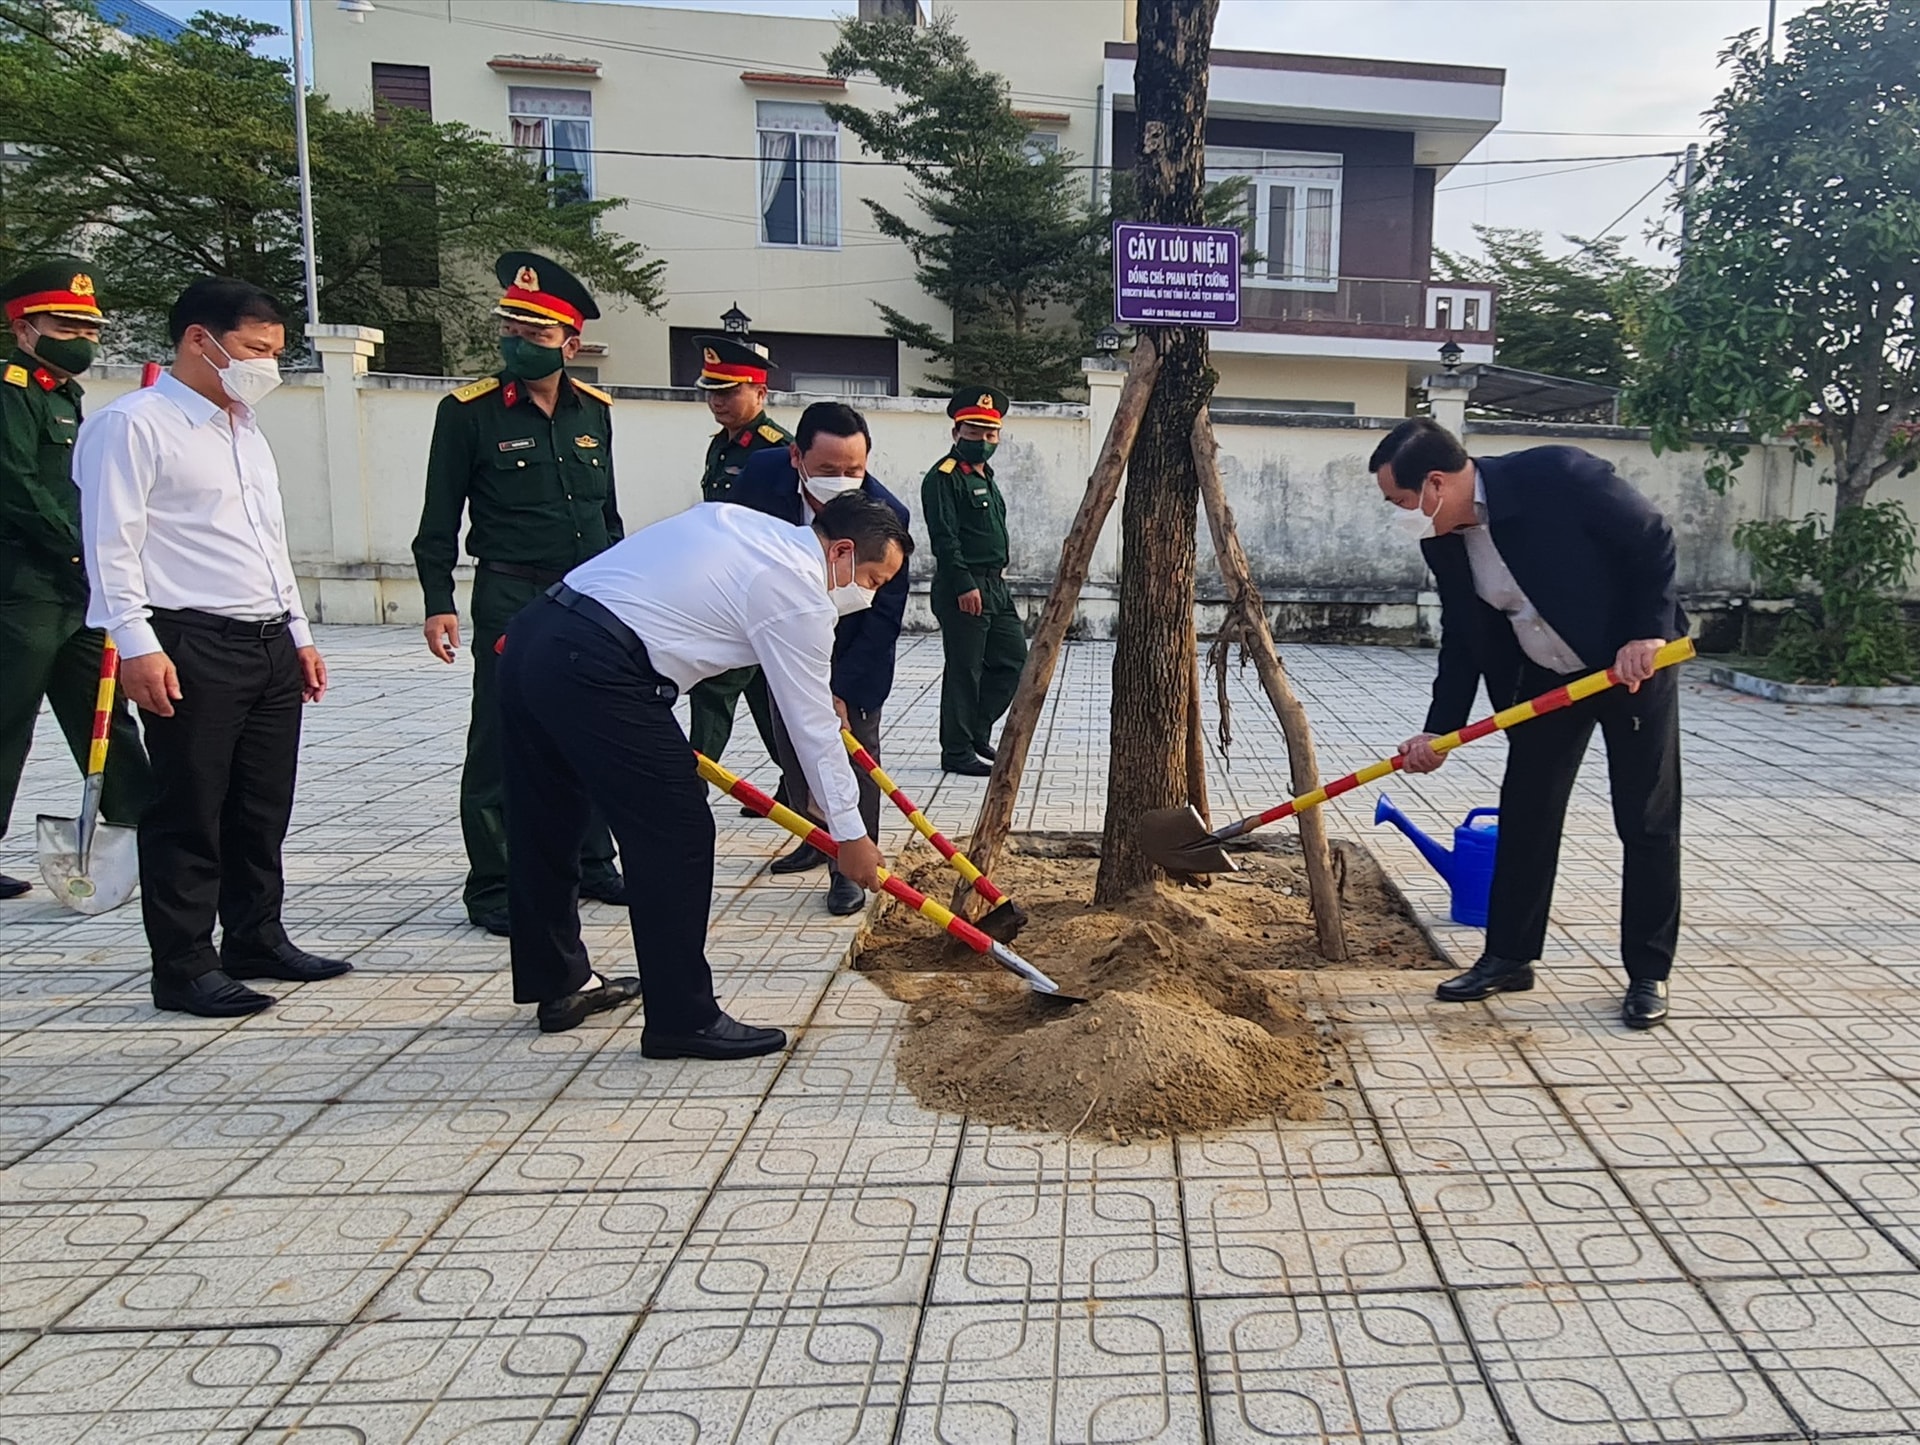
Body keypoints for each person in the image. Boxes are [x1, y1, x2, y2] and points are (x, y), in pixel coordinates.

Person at [496, 491, 909, 1055]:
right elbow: (812, 725)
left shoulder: (743, 522)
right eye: (874, 579)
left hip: (534, 635)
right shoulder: (799, 594)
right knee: (677, 832)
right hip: (599, 666)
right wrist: (852, 835)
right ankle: (681, 1017)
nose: (870, 594)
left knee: (548, 819)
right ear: (840, 551)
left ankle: (558, 982)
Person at [75, 278, 350, 1017]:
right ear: (202, 339)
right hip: (188, 639)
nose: (268, 366)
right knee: (190, 807)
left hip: (266, 641)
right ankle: (185, 963)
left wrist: (299, 633)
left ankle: (256, 935)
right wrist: (136, 645)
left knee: (262, 806)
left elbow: (268, 543)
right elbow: (111, 545)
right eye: (257, 350)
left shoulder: (243, 428)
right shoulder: (134, 425)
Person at [1370, 416, 1685, 1030]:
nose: (1401, 513)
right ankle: (1510, 956)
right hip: (1544, 682)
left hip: (1630, 669)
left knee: (1645, 819)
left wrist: (1646, 631)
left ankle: (1648, 971)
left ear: (1436, 483)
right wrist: (1440, 729)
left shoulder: (1558, 476)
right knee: (1527, 813)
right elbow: (1463, 635)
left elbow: (1651, 537)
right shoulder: (1443, 537)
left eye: (1401, 501)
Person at [412, 252, 627, 937]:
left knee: (593, 729)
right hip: (511, 593)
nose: (517, 344)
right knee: (501, 740)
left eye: (535, 336)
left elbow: (609, 515)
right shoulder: (468, 413)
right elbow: (438, 518)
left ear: (570, 344)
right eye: (511, 329)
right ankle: (497, 882)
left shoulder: (594, 412)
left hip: (588, 596)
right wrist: (437, 598)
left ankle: (594, 858)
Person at [0, 258, 151, 900]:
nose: (81, 338)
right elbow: (16, 484)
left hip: (80, 588)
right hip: (24, 588)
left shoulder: (66, 394)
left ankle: (150, 833)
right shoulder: (10, 390)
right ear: (24, 328)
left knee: (107, 713)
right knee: (8, 719)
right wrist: (78, 548)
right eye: (64, 324)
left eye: (88, 326)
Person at [731, 401, 910, 917]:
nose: (843, 480)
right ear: (796, 457)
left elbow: (884, 615)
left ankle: (852, 866)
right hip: (782, 635)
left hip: (854, 649)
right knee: (793, 743)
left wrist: (843, 688)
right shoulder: (761, 482)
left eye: (854, 469)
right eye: (829, 470)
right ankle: (815, 837)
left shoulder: (886, 514)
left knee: (854, 754)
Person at [686, 334, 792, 781]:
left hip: (759, 592)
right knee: (765, 696)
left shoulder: (777, 448)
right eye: (712, 390)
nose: (718, 401)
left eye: (730, 391)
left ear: (760, 392)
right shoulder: (721, 446)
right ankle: (796, 782)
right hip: (721, 587)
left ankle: (688, 781)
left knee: (714, 687)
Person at [923, 385, 1025, 776]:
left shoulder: (987, 474)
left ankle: (977, 731)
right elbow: (944, 537)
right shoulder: (943, 477)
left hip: (996, 584)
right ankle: (956, 750)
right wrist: (964, 584)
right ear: (956, 433)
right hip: (963, 584)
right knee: (965, 668)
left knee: (1012, 660)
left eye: (990, 434)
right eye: (974, 432)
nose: (983, 441)